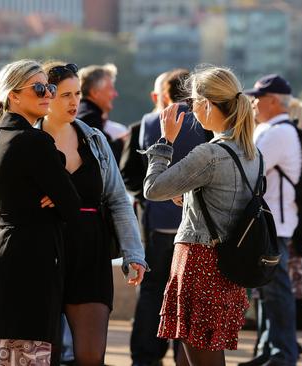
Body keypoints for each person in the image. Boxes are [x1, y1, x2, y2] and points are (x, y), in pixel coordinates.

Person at [143, 66, 258, 365]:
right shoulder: (251, 153)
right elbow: (228, 202)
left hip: (199, 262)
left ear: (207, 104)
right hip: (228, 264)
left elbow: (152, 189)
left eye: (194, 101)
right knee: (201, 353)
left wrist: (165, 142)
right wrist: (192, 197)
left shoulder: (209, 154)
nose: (191, 108)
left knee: (202, 356)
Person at [0, 59, 82, 365]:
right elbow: (72, 205)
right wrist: (58, 194)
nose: (47, 93)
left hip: (0, 255)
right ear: (13, 95)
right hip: (29, 263)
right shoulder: (33, 141)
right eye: (38, 87)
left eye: (50, 87)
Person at [38, 61, 147, 365]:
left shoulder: (95, 139)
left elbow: (117, 199)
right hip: (44, 249)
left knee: (90, 355)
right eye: (65, 95)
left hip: (91, 251)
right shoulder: (27, 140)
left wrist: (133, 253)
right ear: (46, 96)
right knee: (46, 354)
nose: (74, 102)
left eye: (77, 94)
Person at [131, 68, 209, 366]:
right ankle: (183, 356)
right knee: (188, 295)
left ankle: (145, 355)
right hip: (191, 224)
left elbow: (142, 168)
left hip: (157, 219)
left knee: (152, 292)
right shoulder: (202, 123)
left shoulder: (151, 121)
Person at [241, 74, 301, 366]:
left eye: (257, 97)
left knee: (276, 292)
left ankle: (282, 354)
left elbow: (249, 169)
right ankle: (268, 350)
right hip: (273, 223)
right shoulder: (274, 130)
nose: (252, 102)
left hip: (273, 225)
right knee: (267, 292)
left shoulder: (278, 133)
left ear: (274, 100)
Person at [77, 64, 123, 162]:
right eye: (111, 88)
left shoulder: (83, 112)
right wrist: (123, 142)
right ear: (95, 93)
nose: (115, 94)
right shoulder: (89, 117)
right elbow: (105, 157)